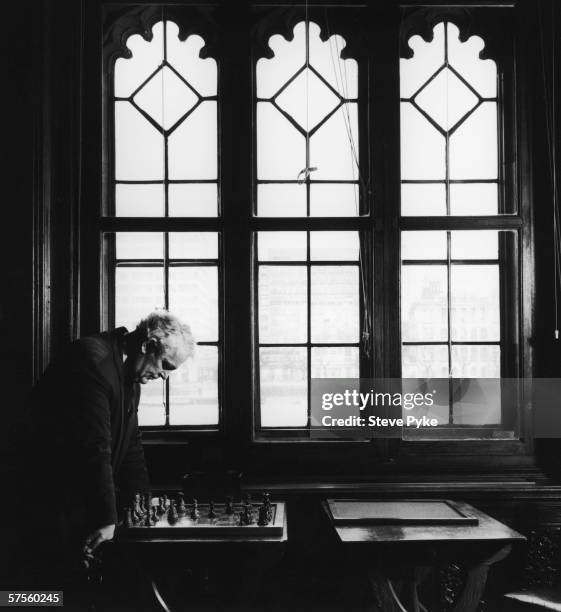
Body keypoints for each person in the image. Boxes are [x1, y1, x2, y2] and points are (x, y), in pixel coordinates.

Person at [18, 310, 194, 595]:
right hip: (49, 499)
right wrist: (107, 520)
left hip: (79, 498)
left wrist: (143, 502)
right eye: (165, 365)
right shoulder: (92, 360)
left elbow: (131, 444)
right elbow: (94, 448)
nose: (163, 375)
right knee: (43, 596)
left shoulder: (129, 374)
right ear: (147, 344)